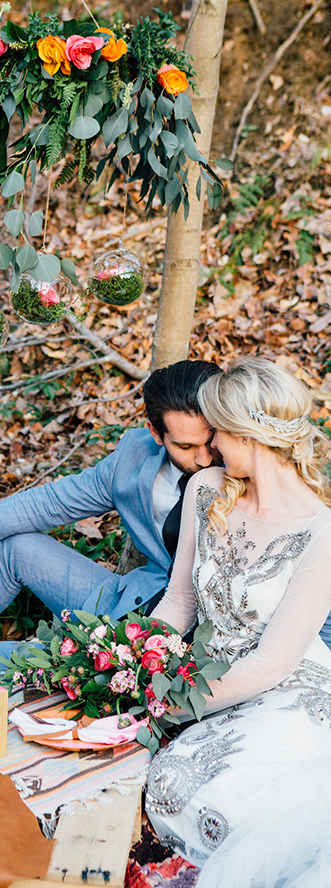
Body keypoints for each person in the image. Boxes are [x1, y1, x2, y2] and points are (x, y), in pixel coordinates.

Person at [146, 357, 331, 888]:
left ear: (246, 436)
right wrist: (138, 661)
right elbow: (179, 601)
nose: (211, 445)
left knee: (196, 794)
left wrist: (174, 703)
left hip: (290, 689)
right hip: (205, 672)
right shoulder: (206, 488)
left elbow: (274, 661)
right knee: (155, 778)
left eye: (219, 432)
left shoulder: (320, 531)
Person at [0, 360, 222, 639]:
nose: (204, 458)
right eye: (184, 446)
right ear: (156, 433)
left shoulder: (241, 461)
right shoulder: (133, 459)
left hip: (205, 633)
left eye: (209, 440)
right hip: (133, 607)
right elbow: (48, 503)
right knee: (14, 549)